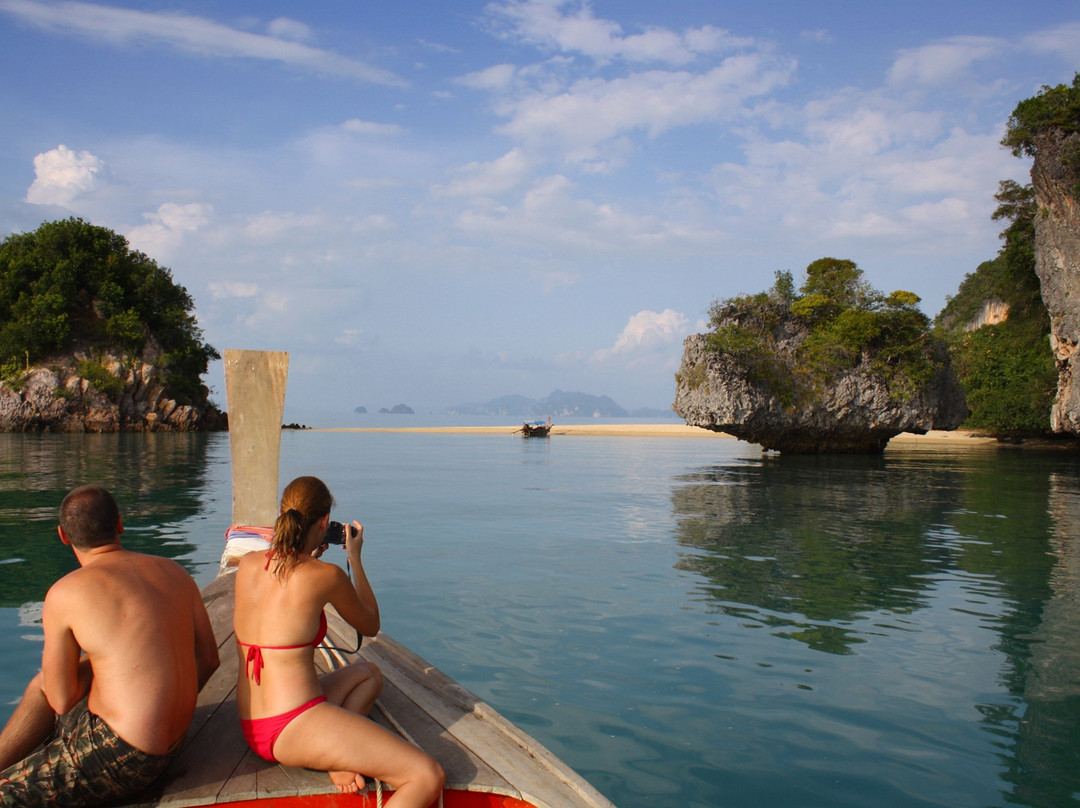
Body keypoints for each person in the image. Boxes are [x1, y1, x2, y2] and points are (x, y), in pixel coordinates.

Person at [0, 485, 221, 807]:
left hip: (126, 755)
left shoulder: (66, 593)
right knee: (44, 683)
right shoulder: (175, 571)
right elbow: (209, 660)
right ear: (119, 524)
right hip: (174, 737)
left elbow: (61, 700)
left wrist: (98, 666)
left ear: (63, 535)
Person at [233, 475, 444, 805]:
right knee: (426, 775)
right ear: (325, 522)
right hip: (293, 725)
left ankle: (337, 753)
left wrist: (309, 553)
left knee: (369, 674)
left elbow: (284, 586)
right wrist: (355, 558)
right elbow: (370, 624)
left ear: (281, 513)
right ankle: (335, 752)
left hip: (253, 723)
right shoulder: (324, 576)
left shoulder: (247, 565)